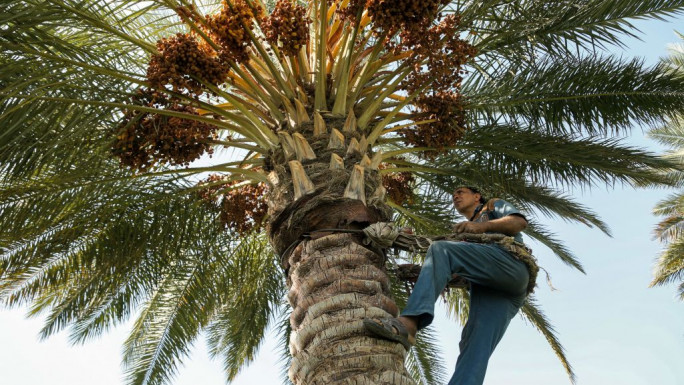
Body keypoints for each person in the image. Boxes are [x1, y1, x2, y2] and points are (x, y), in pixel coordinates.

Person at [364, 186, 530, 385]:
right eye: (454, 195)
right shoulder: (465, 235)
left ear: (477, 196)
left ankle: (410, 323)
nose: (456, 196)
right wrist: (419, 271)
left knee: (441, 249)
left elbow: (519, 222)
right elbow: (450, 267)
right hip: (492, 288)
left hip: (511, 264)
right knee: (474, 342)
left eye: (461, 192)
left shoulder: (491, 206)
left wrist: (481, 227)